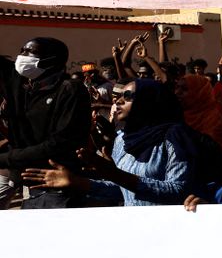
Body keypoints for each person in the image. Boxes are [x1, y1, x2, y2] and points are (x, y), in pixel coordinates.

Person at [24, 79, 196, 206]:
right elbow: (121, 190)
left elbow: (179, 191)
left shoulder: (174, 136)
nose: (118, 101)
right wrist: (77, 182)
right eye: (119, 96)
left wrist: (114, 174)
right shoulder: (122, 138)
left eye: (128, 97)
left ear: (148, 101)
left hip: (170, 227)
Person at [0, 37, 92, 209]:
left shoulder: (70, 89)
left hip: (58, 190)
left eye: (30, 52)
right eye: (22, 50)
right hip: (30, 186)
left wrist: (7, 158)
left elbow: (59, 143)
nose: (22, 56)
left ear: (51, 60)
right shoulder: (24, 85)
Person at [175, 74, 222, 183]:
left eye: (184, 89)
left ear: (200, 93)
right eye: (177, 87)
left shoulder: (214, 120)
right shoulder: (178, 117)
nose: (177, 92)